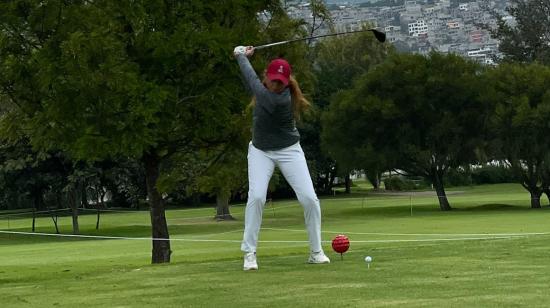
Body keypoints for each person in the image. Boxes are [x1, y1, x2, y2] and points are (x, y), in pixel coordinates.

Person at [233, 45, 330, 271]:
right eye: (273, 80)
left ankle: (316, 252)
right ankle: (249, 253)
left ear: (286, 83)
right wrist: (242, 55)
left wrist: (240, 54)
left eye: (280, 82)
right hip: (260, 151)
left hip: (289, 150)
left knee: (309, 198)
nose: (276, 85)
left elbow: (248, 76)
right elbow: (251, 78)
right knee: (256, 197)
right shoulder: (267, 91)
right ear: (267, 76)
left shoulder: (278, 100)